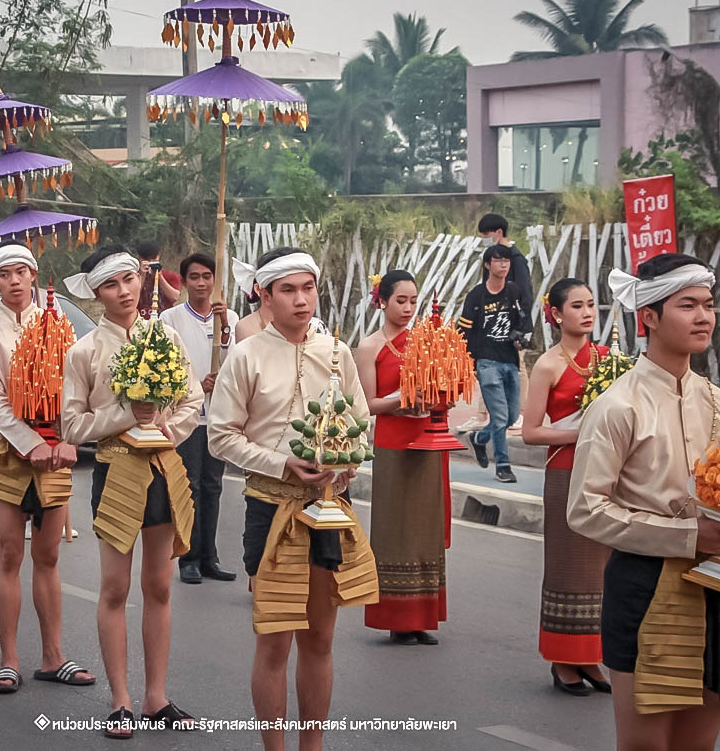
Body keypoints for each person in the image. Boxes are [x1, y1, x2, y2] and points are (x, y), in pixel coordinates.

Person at [568, 253, 720, 751]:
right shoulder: (617, 405)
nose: (704, 316)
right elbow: (585, 509)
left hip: (715, 584)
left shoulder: (719, 401)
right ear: (650, 318)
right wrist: (687, 534)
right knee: (645, 745)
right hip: (644, 586)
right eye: (688, 305)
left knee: (697, 745)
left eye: (708, 304)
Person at [208, 247, 378, 751]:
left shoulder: (336, 352)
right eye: (288, 290)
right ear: (264, 295)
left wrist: (344, 464)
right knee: (275, 640)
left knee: (321, 640)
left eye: (308, 288)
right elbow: (221, 437)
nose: (302, 301)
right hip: (270, 505)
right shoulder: (246, 354)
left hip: (328, 508)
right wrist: (282, 462)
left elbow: (359, 424)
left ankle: (313, 746)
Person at [61, 245, 204, 739]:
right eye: (111, 285)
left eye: (129, 280)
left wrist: (167, 429)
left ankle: (155, 696)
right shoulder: (84, 351)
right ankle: (120, 698)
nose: (124, 292)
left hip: (163, 467)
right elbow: (73, 424)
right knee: (116, 588)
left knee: (160, 586)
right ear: (96, 294)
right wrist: (129, 416)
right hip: (116, 469)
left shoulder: (164, 335)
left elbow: (192, 397)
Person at [0, 242, 96, 694]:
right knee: (8, 553)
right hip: (12, 454)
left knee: (49, 557)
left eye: (22, 271)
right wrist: (30, 443)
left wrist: (65, 440)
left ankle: (53, 656)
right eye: (5, 274)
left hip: (56, 454)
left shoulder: (59, 325)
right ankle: (8, 660)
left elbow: (76, 389)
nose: (15, 280)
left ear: (35, 276)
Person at [521, 278, 611, 695]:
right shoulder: (548, 364)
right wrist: (583, 433)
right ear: (557, 314)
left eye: (591, 304)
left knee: (602, 569)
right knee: (567, 567)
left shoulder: (609, 360)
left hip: (605, 476)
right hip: (565, 474)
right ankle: (563, 659)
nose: (588, 312)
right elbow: (531, 432)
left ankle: (591, 656)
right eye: (577, 306)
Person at [355, 269, 448, 645]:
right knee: (395, 530)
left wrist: (440, 397)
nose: (408, 308)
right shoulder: (369, 346)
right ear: (382, 300)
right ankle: (395, 615)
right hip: (393, 443)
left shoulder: (425, 342)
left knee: (425, 530)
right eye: (401, 300)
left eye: (413, 300)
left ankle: (422, 616)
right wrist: (403, 398)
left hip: (428, 438)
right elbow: (367, 404)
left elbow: (444, 391)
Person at [160, 252, 239, 585]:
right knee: (189, 485)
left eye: (208, 276)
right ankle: (188, 557)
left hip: (217, 416)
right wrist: (196, 383)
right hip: (186, 415)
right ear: (185, 282)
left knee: (213, 486)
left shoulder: (229, 317)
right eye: (195, 277)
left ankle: (210, 556)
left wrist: (223, 336)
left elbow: (234, 361)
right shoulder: (171, 319)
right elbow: (166, 366)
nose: (202, 283)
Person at [459, 243, 529, 483]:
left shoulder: (514, 291)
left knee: (510, 417)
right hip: (486, 362)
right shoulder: (477, 295)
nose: (504, 265)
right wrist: (469, 361)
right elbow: (464, 330)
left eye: (507, 261)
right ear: (488, 265)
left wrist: (520, 337)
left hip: (510, 360)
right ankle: (503, 465)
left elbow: (522, 319)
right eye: (499, 261)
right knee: (499, 416)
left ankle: (479, 439)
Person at [471, 213, 534, 435]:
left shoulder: (516, 260)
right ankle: (483, 414)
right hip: (491, 321)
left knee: (518, 367)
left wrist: (521, 326)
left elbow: (525, 295)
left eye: (486, 235)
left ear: (499, 233)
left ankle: (519, 414)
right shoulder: (491, 258)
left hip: (511, 324)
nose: (484, 239)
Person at [136, 240, 182, 314]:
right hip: (141, 321)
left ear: (158, 256)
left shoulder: (170, 276)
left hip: (164, 320)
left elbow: (174, 298)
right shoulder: (134, 277)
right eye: (147, 260)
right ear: (139, 259)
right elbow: (133, 297)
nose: (150, 262)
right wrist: (142, 275)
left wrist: (159, 277)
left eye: (153, 259)